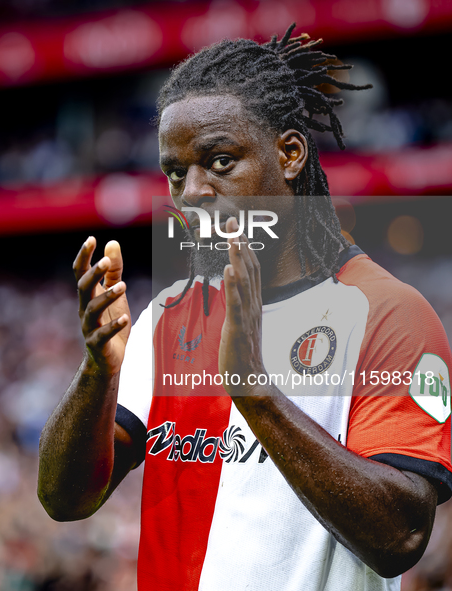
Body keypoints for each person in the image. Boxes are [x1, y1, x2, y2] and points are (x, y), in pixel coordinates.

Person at [38, 25, 452, 590]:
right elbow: (65, 499)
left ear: (288, 153)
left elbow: (400, 538)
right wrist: (98, 370)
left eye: (220, 161)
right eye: (176, 172)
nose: (192, 192)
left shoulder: (388, 313)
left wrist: (254, 391)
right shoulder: (168, 317)